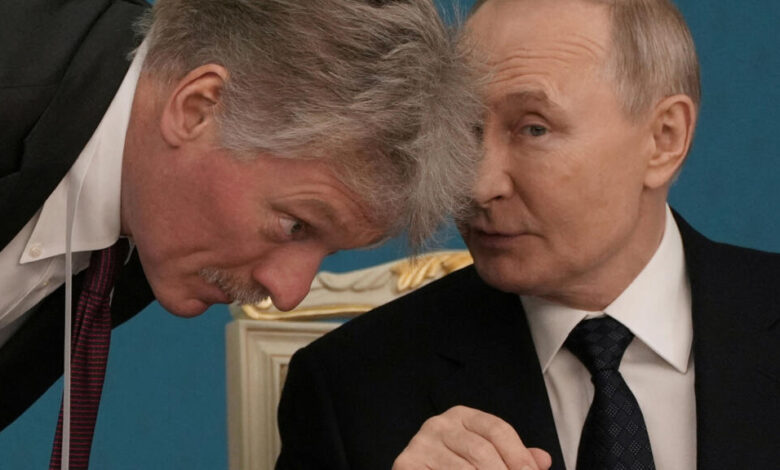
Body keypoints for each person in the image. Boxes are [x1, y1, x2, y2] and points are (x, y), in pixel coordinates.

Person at [275, 0, 780, 469]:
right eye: (465, 131)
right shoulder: (350, 386)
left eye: (533, 129)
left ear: (664, 138)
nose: (478, 185)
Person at [0, 0, 481, 431]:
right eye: (295, 225)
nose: (289, 293)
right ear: (198, 109)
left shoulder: (155, 215)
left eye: (328, 252)